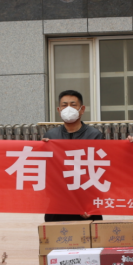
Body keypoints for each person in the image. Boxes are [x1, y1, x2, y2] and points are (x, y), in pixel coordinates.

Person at [42, 90, 103, 222]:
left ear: (82, 109)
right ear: (59, 110)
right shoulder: (50, 136)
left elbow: (101, 171)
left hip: (86, 205)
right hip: (58, 202)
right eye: (64, 105)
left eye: (73, 105)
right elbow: (45, 171)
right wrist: (42, 149)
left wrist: (92, 203)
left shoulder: (94, 135)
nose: (68, 108)